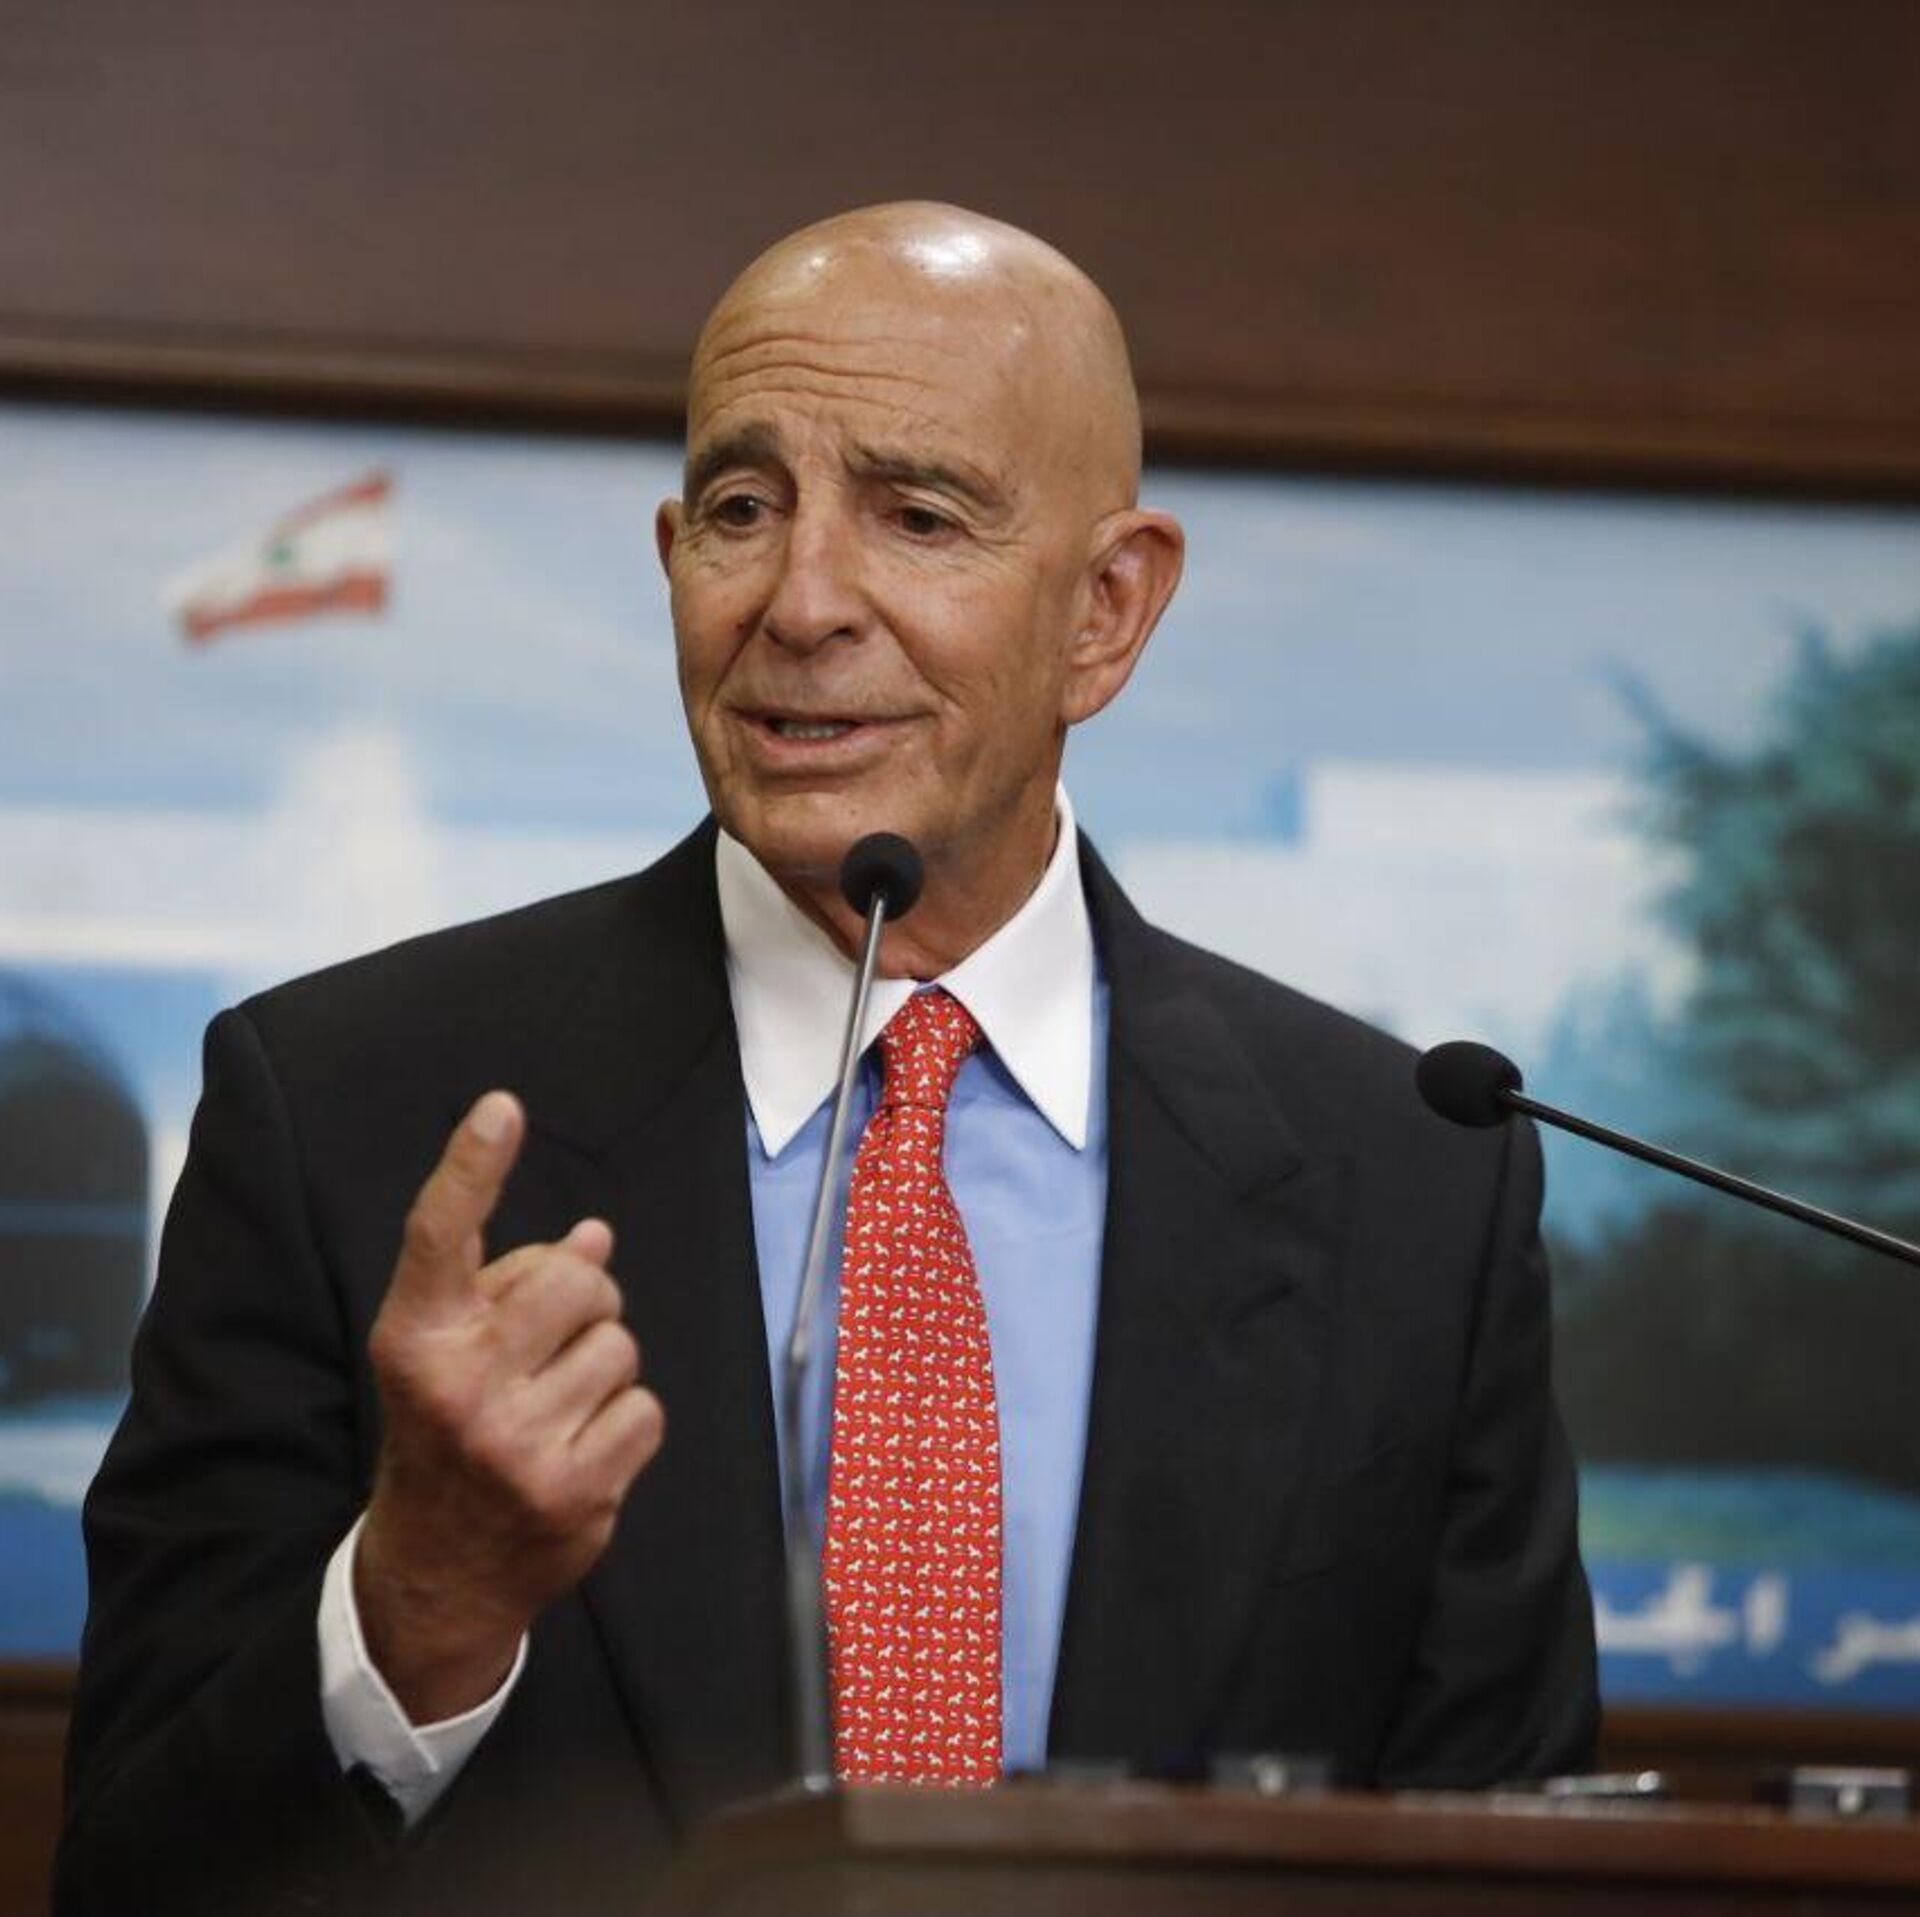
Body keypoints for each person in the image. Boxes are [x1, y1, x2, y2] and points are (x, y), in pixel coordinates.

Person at [58, 203, 1597, 1916]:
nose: (799, 602)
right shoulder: (343, 1110)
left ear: (1106, 610)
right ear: (673, 559)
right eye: (741, 509)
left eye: (918, 515)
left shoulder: (1414, 1181)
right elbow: (133, 1874)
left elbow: (1510, 1867)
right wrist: (420, 1600)